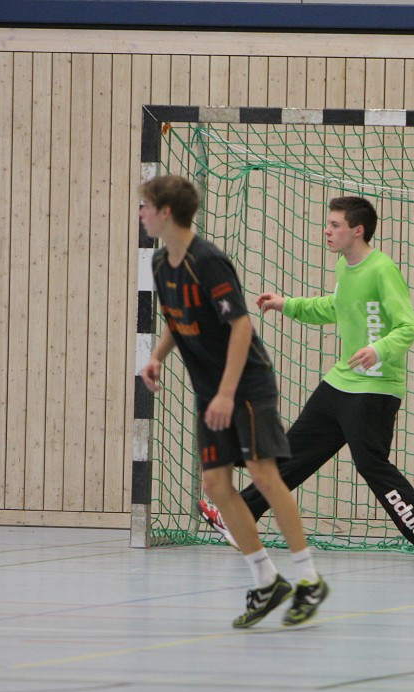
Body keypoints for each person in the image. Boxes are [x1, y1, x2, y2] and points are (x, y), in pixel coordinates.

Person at [197, 197, 414, 563]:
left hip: (375, 386)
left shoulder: (382, 269)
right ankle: (237, 515)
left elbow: (407, 326)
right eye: (328, 223)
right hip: (340, 381)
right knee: (293, 454)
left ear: (358, 230)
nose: (327, 230)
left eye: (335, 224)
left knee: (371, 463)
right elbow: (335, 308)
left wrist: (378, 349)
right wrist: (287, 304)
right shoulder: (344, 267)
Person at [139, 175, 328, 629]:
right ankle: (266, 581)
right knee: (216, 486)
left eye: (145, 205)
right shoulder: (162, 262)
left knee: (263, 474)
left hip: (244, 386)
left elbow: (241, 326)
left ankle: (309, 579)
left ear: (166, 212)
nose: (141, 213)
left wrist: (226, 392)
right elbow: (175, 315)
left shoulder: (209, 261)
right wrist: (158, 358)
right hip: (211, 390)